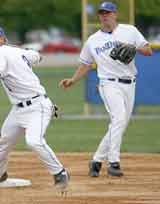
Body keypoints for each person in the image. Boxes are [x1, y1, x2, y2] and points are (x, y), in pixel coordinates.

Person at [0, 25, 69, 191]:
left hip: (37, 105)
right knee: (4, 139)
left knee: (34, 141)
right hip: (18, 109)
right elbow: (38, 56)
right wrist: (21, 50)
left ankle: (60, 173)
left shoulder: (1, 52)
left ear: (2, 39)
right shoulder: (15, 51)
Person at [59, 2, 152, 177]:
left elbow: (148, 51)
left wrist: (135, 48)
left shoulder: (130, 31)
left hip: (130, 83)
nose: (104, 15)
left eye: (108, 12)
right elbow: (85, 64)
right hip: (108, 84)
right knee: (119, 119)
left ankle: (96, 161)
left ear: (115, 14)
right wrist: (73, 80)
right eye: (102, 13)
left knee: (120, 124)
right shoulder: (93, 40)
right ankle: (114, 163)